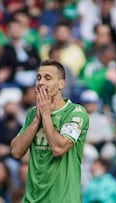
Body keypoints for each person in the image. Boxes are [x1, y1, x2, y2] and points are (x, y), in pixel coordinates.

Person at [10, 59, 89, 202]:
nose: (41, 82)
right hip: (32, 199)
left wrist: (46, 116)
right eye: (38, 78)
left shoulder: (75, 112)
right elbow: (16, 151)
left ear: (61, 84)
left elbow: (58, 149)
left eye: (48, 78)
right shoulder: (32, 114)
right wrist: (36, 120)